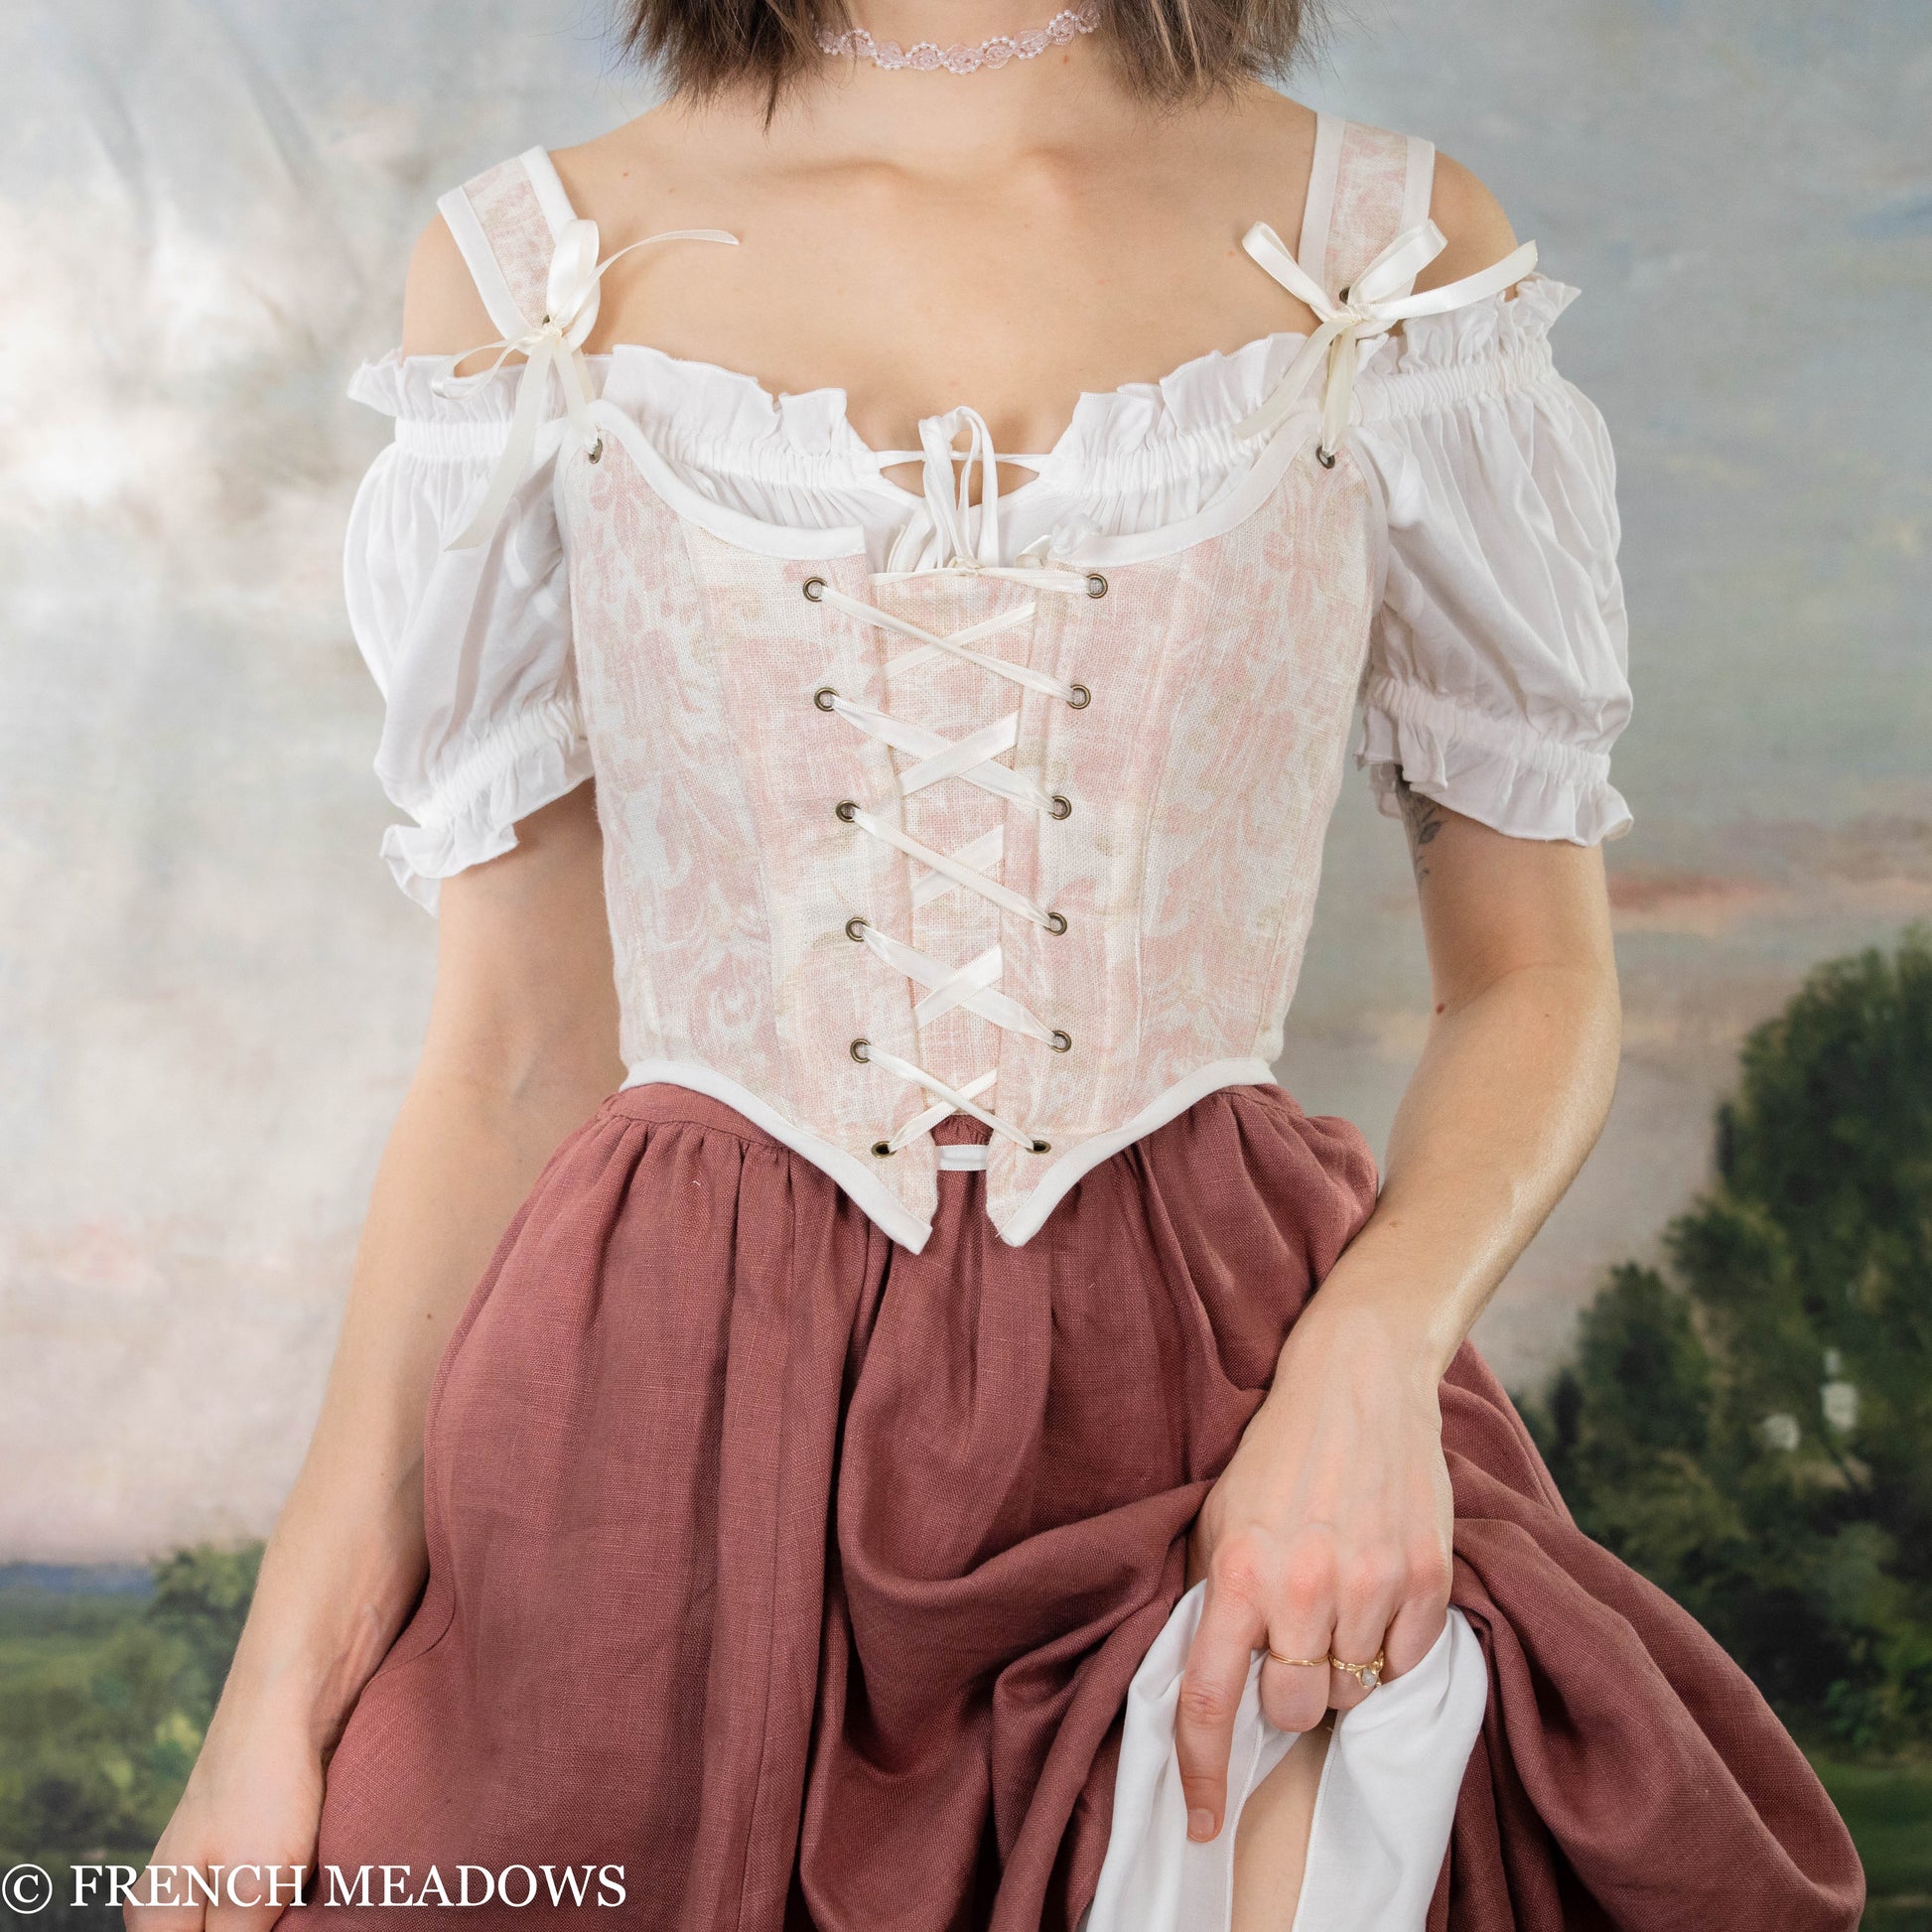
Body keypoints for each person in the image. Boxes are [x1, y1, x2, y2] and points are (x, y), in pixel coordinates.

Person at [132, 1, 1864, 1926]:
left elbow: (1527, 977)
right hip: (654, 1428)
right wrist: (273, 1691)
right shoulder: (537, 270)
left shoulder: (1389, 257)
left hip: (1207, 1380)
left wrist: (1371, 1364)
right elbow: (514, 1053)